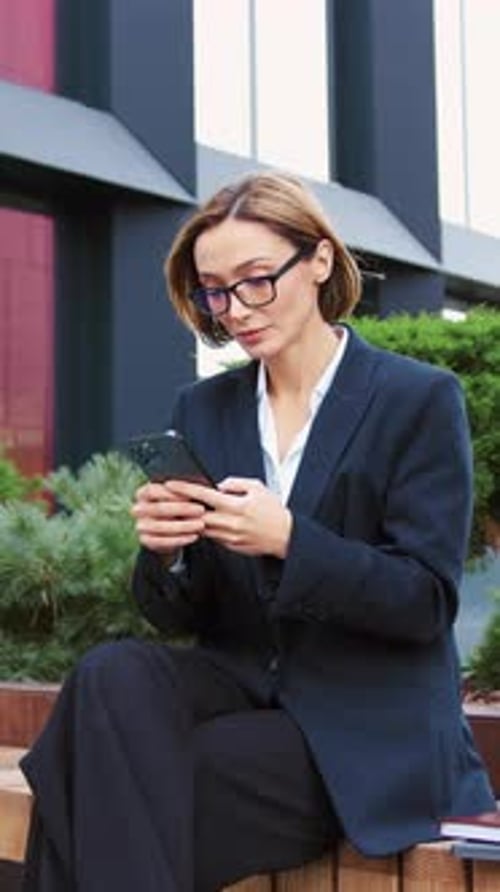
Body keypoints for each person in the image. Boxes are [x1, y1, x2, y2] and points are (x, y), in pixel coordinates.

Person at [21, 172, 496, 892]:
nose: (235, 309)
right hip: (240, 688)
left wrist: (291, 540)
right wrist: (169, 551)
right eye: (215, 290)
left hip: (362, 727)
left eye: (255, 280)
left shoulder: (417, 399)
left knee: (82, 782)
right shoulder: (206, 406)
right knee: (108, 673)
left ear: (319, 263)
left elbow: (424, 600)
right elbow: (181, 611)